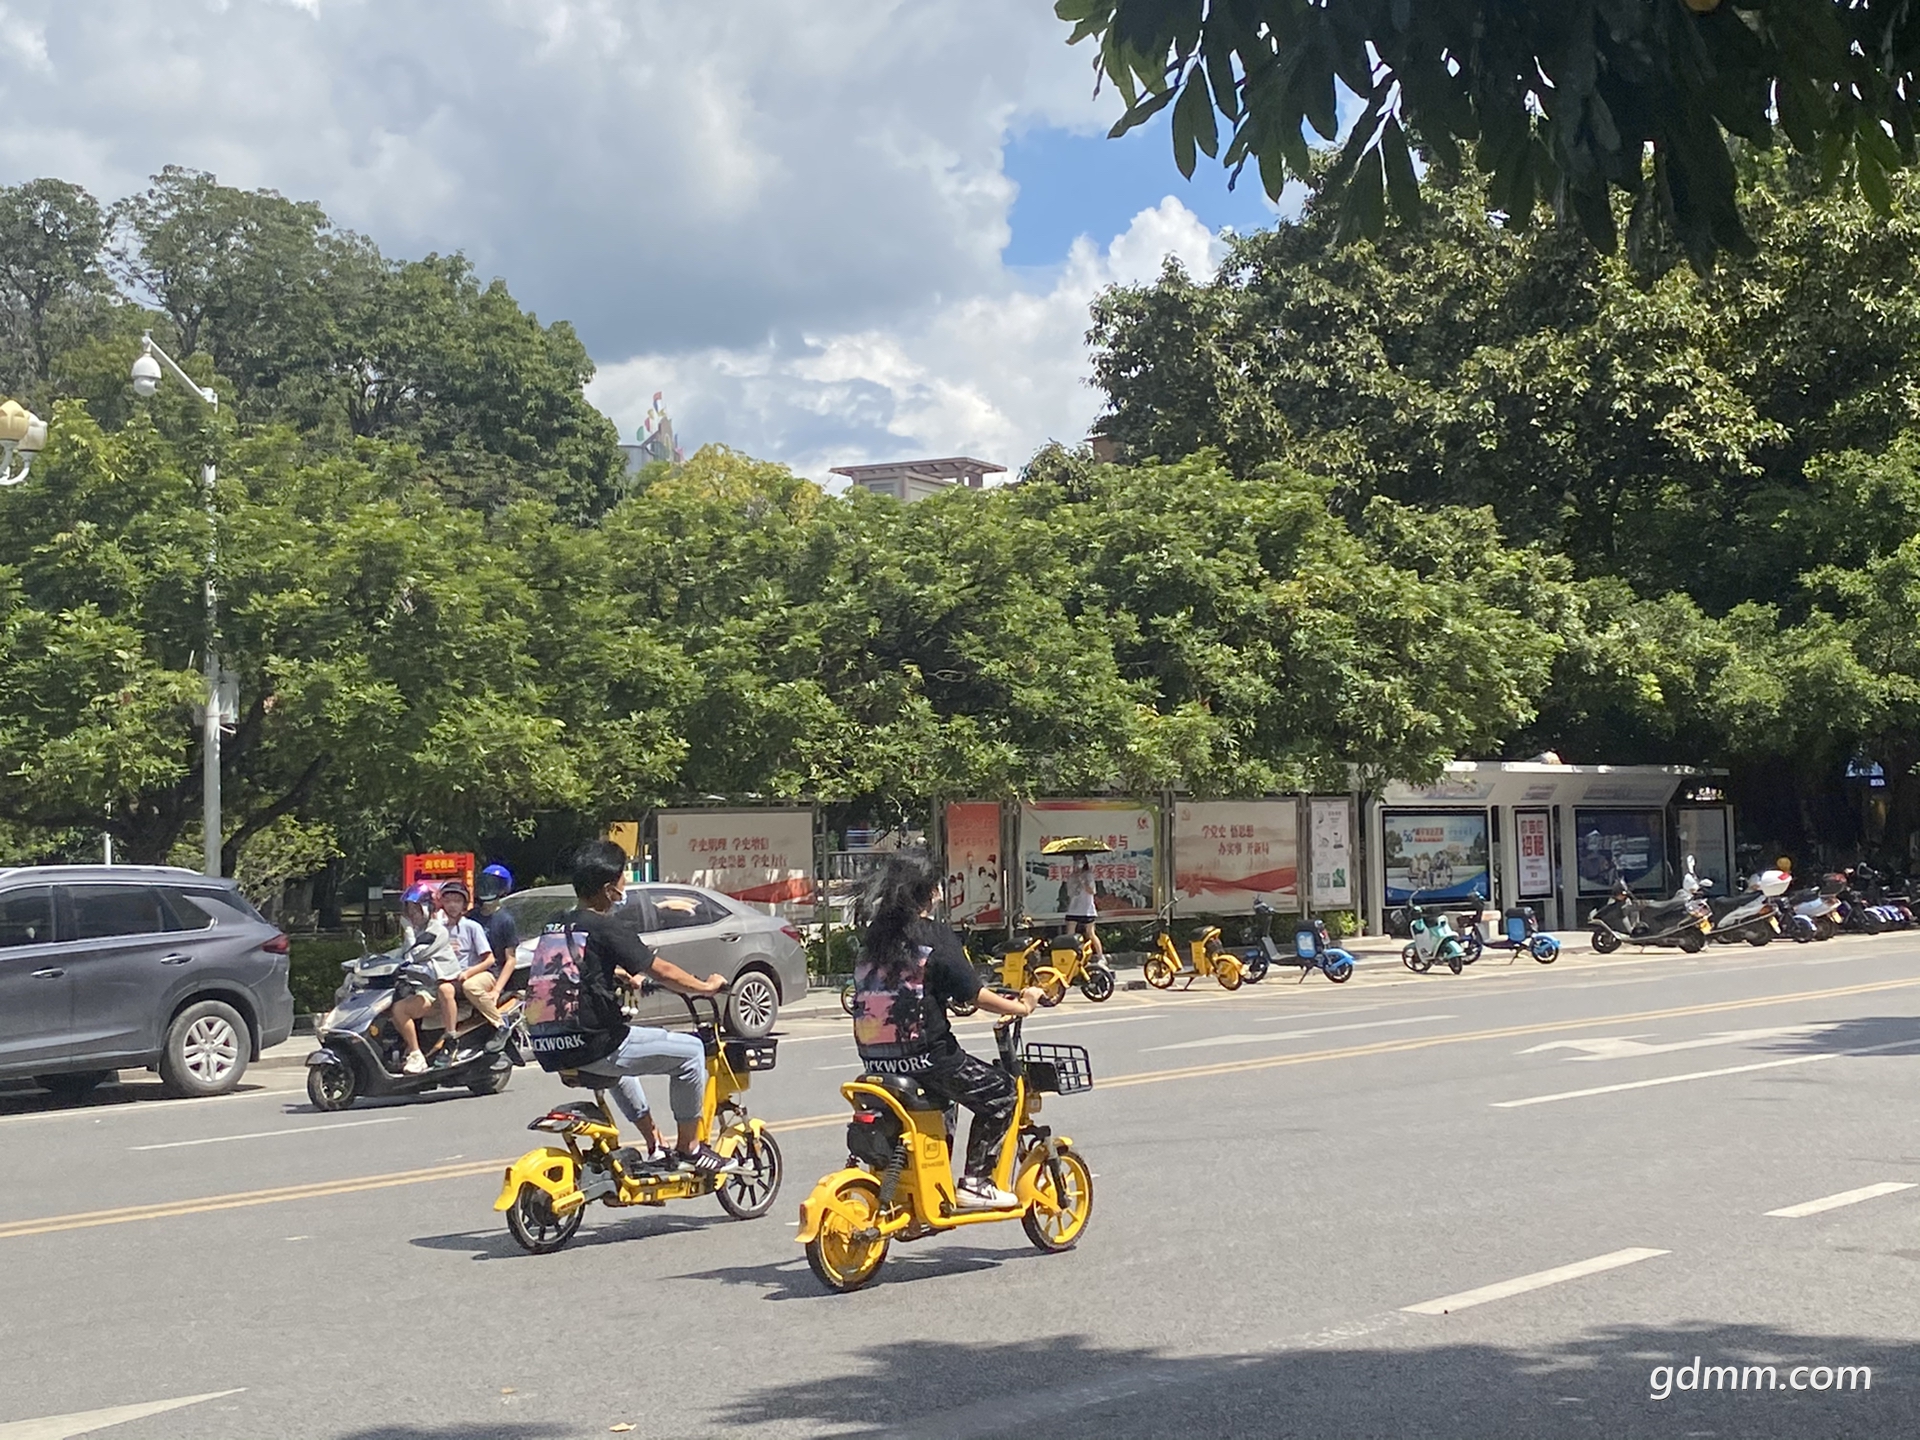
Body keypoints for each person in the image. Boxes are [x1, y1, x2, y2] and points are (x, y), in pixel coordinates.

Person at [850, 853, 1043, 1210]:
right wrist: (1023, 1005)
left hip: (875, 1060)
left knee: (943, 1101)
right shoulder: (933, 935)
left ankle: (929, 1183)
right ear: (931, 893)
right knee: (1000, 1092)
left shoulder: (875, 936)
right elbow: (974, 993)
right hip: (927, 1058)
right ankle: (976, 1182)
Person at [535, 840, 734, 1173]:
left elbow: (573, 966)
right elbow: (662, 970)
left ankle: (655, 1144)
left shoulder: (557, 923)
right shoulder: (608, 926)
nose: (625, 883)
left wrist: (620, 975)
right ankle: (691, 1149)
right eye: (622, 876)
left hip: (550, 1045)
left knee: (618, 1066)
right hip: (593, 1042)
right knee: (690, 1053)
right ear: (608, 888)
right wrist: (705, 987)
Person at [390, 883, 460, 1075]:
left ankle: (445, 1040)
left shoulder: (437, 931)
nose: (413, 914)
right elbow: (402, 953)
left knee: (404, 1008)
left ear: (428, 908)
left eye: (417, 909)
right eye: (410, 910)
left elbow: (416, 954)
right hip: (423, 988)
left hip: (440, 986)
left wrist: (409, 934)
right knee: (395, 1006)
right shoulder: (418, 931)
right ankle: (406, 1049)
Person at [439, 879, 512, 1034]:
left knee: (470, 986)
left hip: (480, 974)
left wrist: (468, 973)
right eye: (448, 900)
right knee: (442, 990)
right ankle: (450, 1035)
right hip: (450, 977)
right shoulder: (439, 930)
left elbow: (490, 959)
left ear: (464, 904)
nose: (452, 905)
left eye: (457, 901)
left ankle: (500, 1025)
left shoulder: (472, 926)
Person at [476, 863, 520, 979]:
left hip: (493, 974)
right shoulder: (471, 916)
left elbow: (510, 958)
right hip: (471, 969)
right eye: (485, 884)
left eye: (493, 885)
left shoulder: (505, 919)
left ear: (503, 889)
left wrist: (497, 989)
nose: (487, 889)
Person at [1064, 853, 1105, 962]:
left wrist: (1083, 881)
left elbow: (1092, 891)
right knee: (1069, 935)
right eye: (1076, 860)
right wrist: (1075, 882)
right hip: (1073, 908)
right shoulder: (1072, 876)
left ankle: (1101, 956)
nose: (1078, 863)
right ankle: (1070, 958)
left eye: (1080, 860)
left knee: (1090, 933)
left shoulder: (1088, 875)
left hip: (1087, 909)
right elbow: (1069, 893)